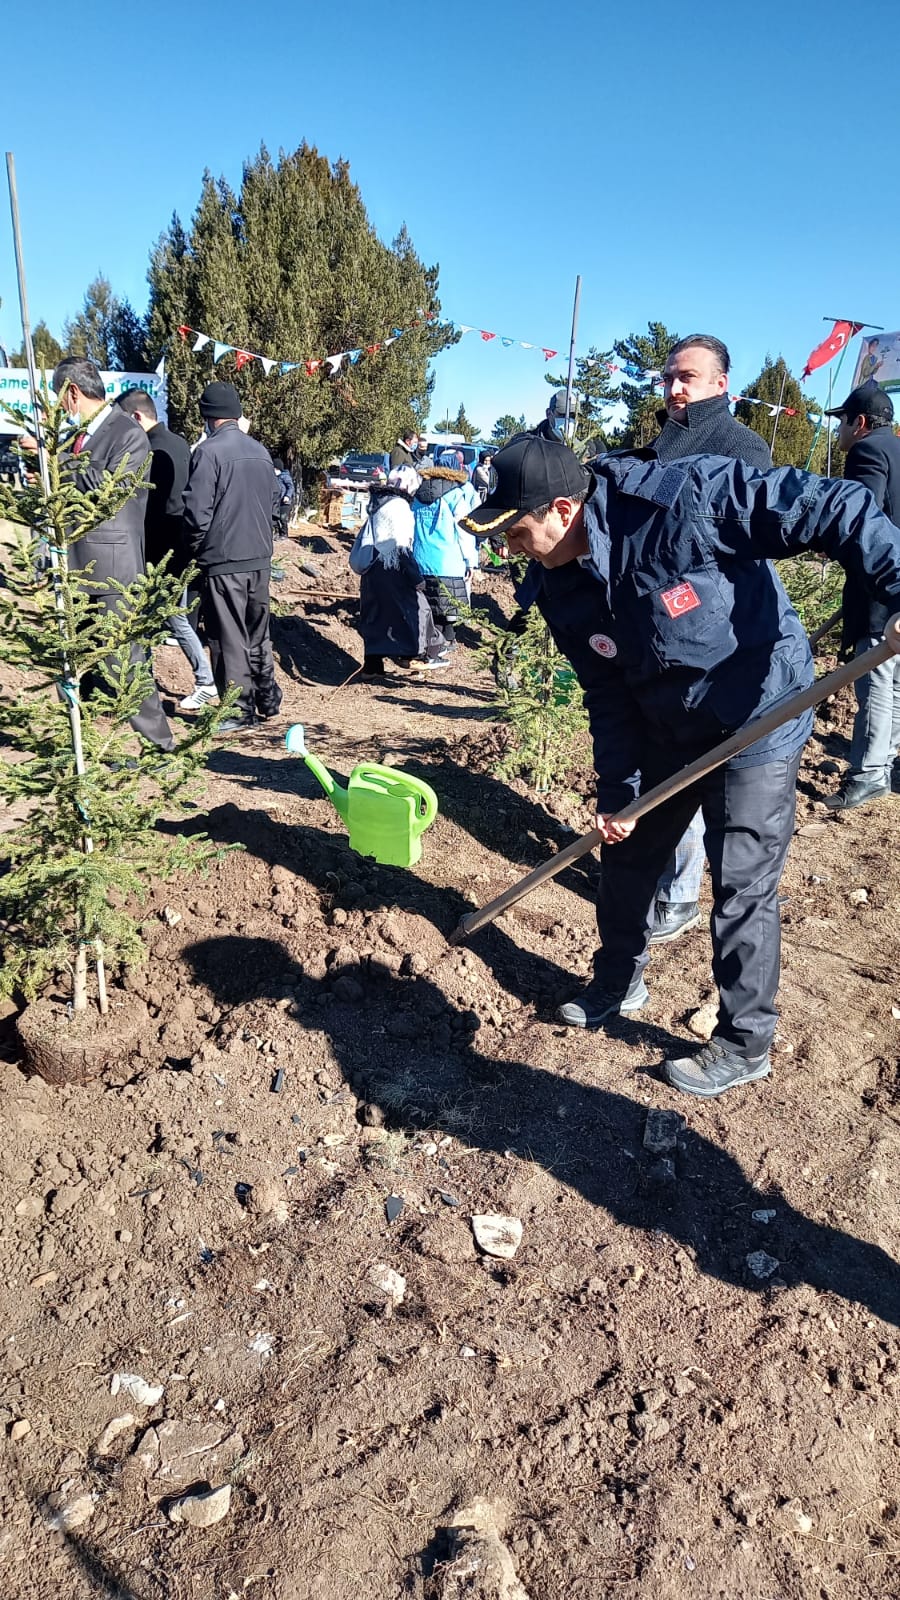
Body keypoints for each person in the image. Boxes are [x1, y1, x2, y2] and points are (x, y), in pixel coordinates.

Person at [460, 433, 900, 1099]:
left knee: (742, 881)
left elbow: (835, 505)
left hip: (759, 713)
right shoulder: (558, 586)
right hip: (665, 718)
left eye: (515, 531)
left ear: (560, 509)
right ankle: (617, 980)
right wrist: (619, 793)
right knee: (629, 856)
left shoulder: (683, 501)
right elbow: (606, 692)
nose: (507, 547)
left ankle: (745, 1041)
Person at [639, 334, 773, 943]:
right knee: (661, 762)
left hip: (715, 635)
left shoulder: (745, 449)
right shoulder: (660, 443)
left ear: (722, 384)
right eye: (669, 377)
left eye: (687, 378)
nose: (673, 389)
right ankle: (665, 878)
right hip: (657, 630)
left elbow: (748, 545)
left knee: (700, 771)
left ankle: (679, 894)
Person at [48, 358, 174, 751]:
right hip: (75, 568)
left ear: (73, 392)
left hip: (113, 572)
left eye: (59, 399)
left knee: (124, 662)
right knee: (73, 663)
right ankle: (76, 740)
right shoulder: (77, 437)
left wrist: (58, 461)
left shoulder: (127, 432)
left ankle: (160, 747)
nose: (59, 408)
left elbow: (112, 486)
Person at [182, 381, 282, 733]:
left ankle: (238, 712)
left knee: (229, 638)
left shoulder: (208, 453)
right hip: (259, 559)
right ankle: (268, 699)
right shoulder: (261, 452)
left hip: (223, 560)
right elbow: (274, 503)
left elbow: (196, 515)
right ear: (237, 415)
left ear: (208, 418)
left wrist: (195, 550)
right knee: (258, 632)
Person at [113, 390, 217, 712]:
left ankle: (203, 681)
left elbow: (150, 507)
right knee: (168, 617)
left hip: (161, 551)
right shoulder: (179, 443)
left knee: (169, 618)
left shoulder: (151, 450)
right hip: (180, 546)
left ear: (136, 418)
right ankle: (146, 683)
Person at [822, 379, 900, 808]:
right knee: (898, 682)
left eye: (843, 423)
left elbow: (860, 518)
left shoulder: (867, 452)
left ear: (862, 423)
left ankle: (869, 773)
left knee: (877, 679)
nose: (840, 433)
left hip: (882, 589)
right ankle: (885, 759)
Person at [353, 465, 446, 677]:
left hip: (373, 568)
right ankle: (415, 656)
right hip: (393, 570)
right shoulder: (400, 507)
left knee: (376, 615)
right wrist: (415, 577)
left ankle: (372, 666)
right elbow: (401, 547)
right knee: (416, 609)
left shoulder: (379, 503)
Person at [412, 450, 478, 648]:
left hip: (421, 559)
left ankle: (429, 644)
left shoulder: (418, 495)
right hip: (449, 562)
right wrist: (470, 561)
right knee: (449, 607)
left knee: (428, 606)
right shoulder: (455, 495)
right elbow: (465, 530)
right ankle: (446, 643)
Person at [272, 457, 295, 540]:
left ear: (278, 469)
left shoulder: (285, 477)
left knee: (283, 518)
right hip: (277, 502)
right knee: (275, 518)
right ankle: (277, 533)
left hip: (285, 502)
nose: (273, 471)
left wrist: (287, 496)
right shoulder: (275, 478)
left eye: (275, 469)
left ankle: (284, 534)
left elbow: (291, 487)